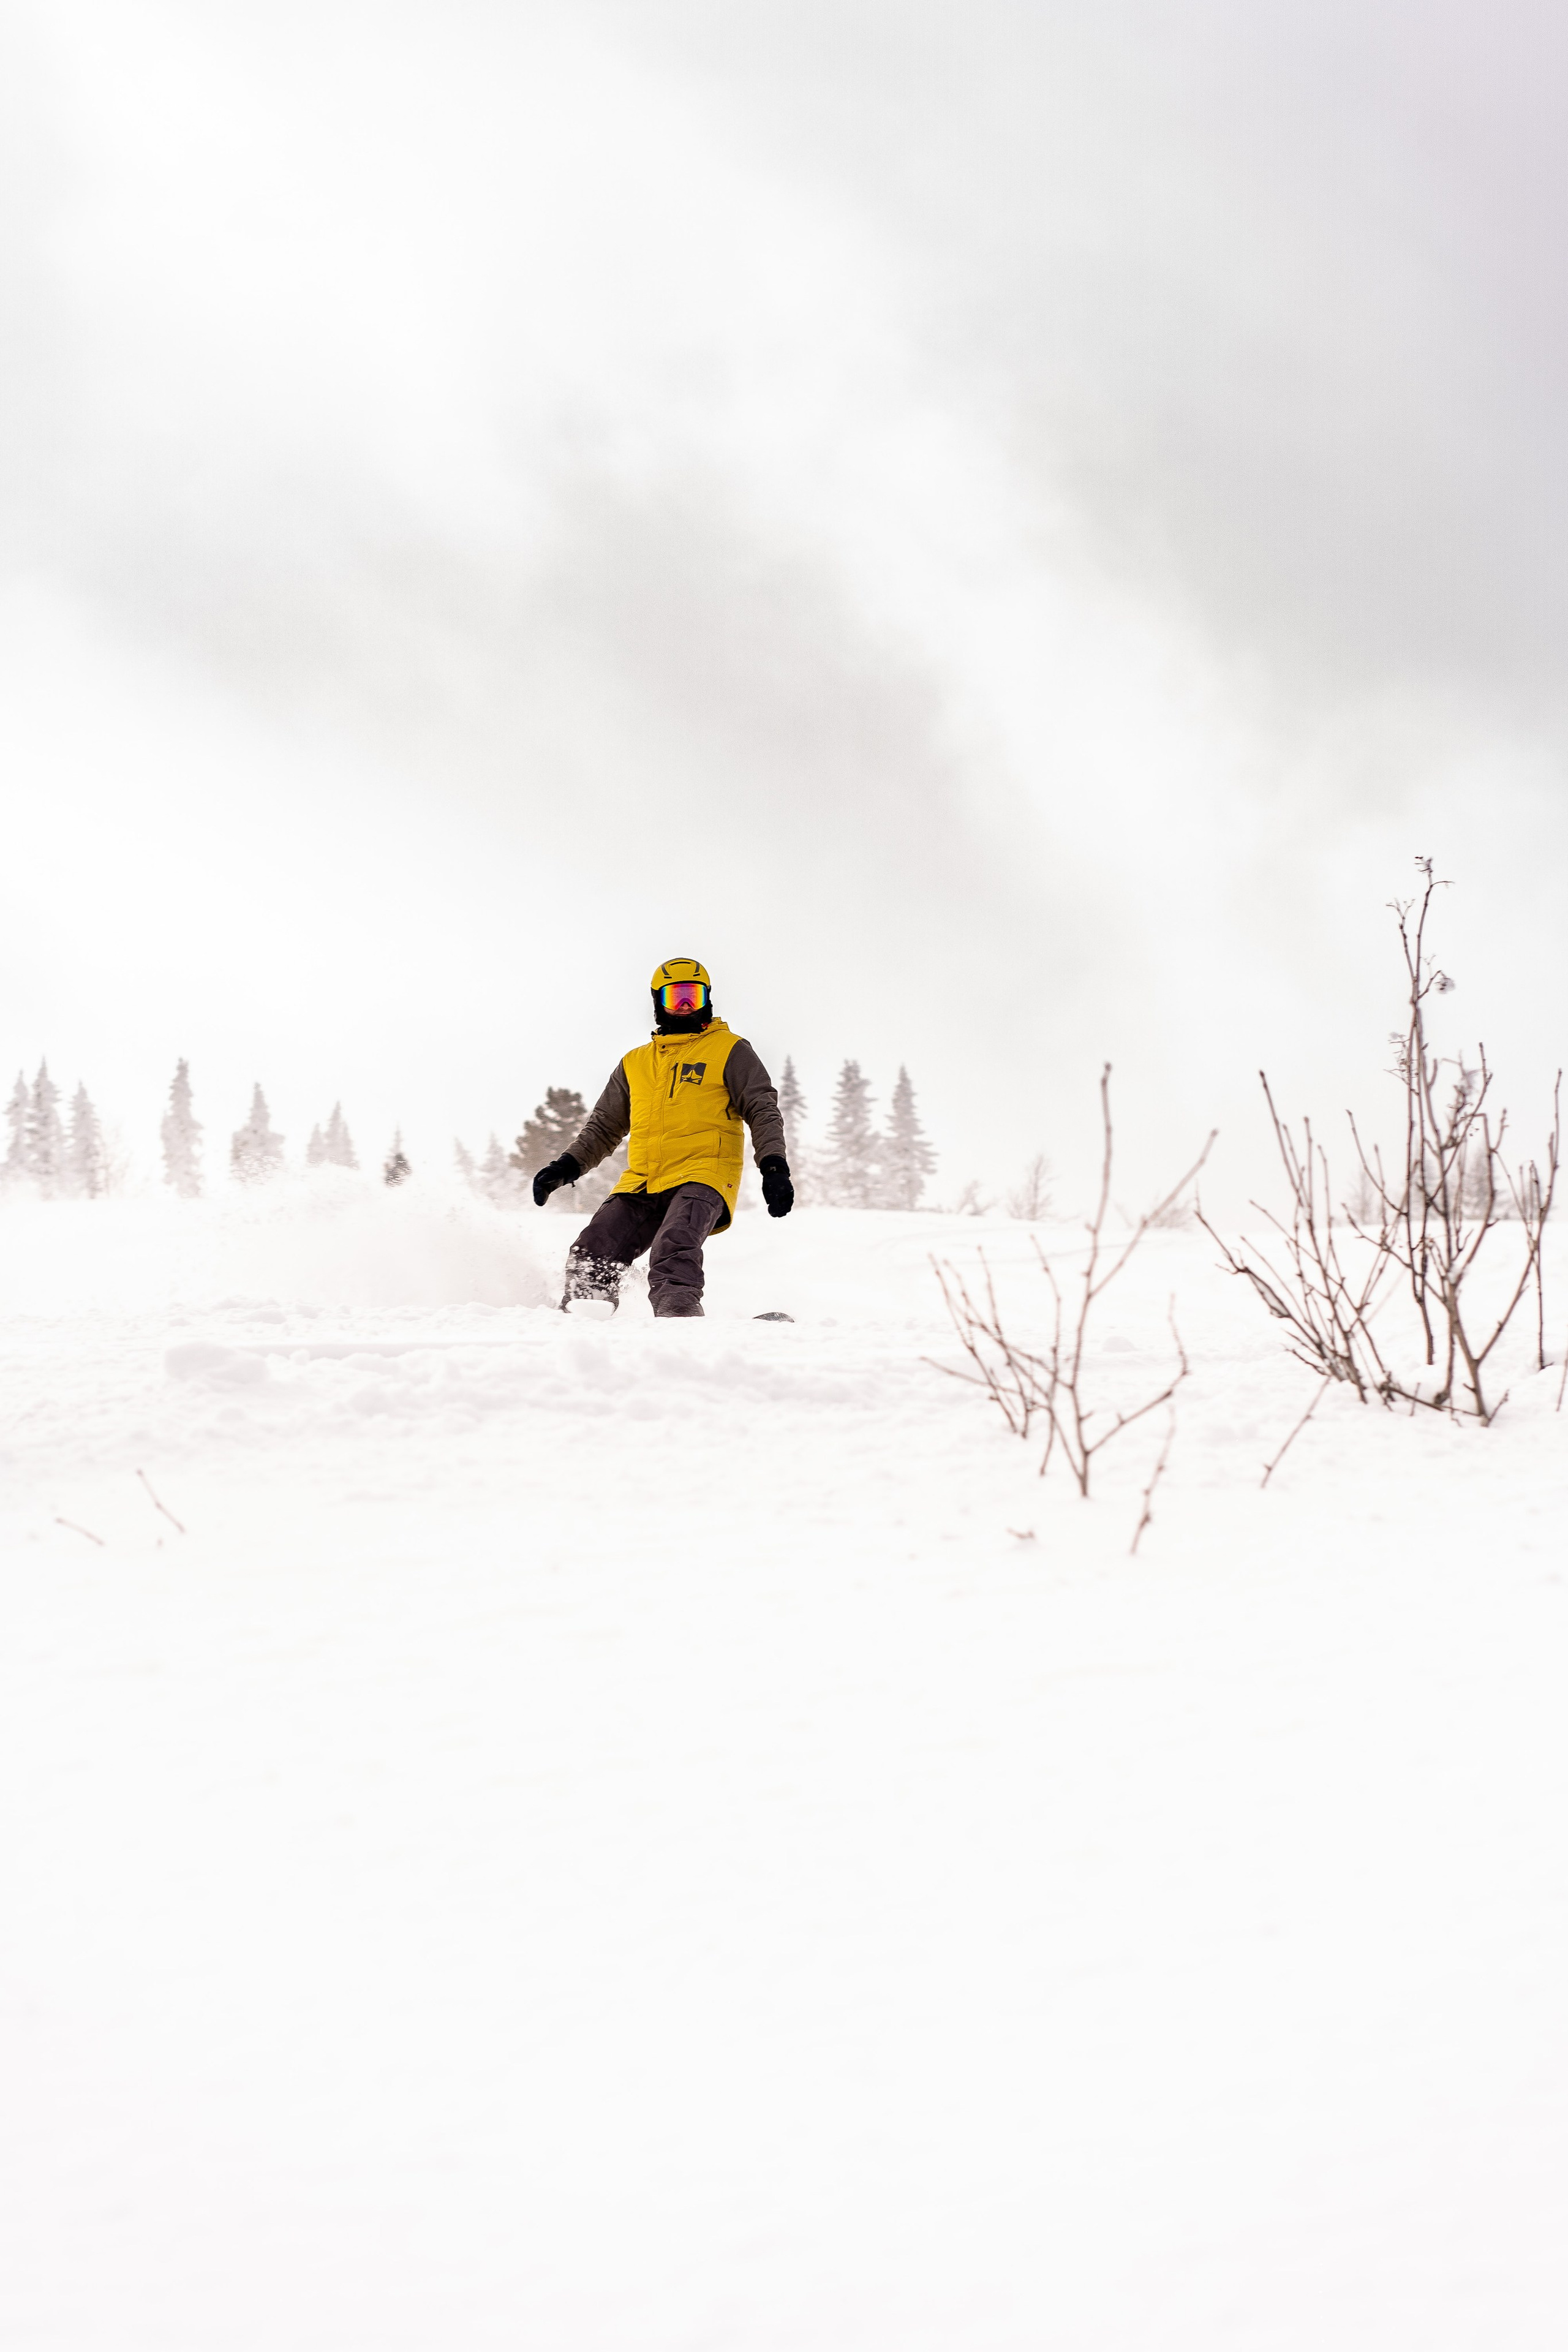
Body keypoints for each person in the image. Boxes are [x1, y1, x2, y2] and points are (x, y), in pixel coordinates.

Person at [529, 958, 794, 1318]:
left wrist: (774, 1167)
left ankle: (679, 1318)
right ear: (658, 1001)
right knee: (592, 1250)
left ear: (707, 999)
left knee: (674, 1246)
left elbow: (762, 1109)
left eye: (693, 996)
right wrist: (566, 1167)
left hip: (704, 1173)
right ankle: (584, 1317)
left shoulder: (730, 1051)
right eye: (675, 997)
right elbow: (604, 1127)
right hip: (643, 1179)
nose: (684, 1006)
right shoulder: (635, 1063)